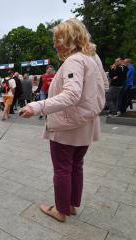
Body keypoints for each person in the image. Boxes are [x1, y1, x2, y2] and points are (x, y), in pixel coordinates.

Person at [20, 19, 108, 223]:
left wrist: (37, 107)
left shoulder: (74, 60)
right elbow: (103, 84)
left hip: (68, 125)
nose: (54, 45)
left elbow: (71, 95)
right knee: (76, 165)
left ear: (67, 39)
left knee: (62, 168)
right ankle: (71, 205)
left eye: (57, 40)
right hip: (86, 123)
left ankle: (60, 210)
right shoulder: (92, 57)